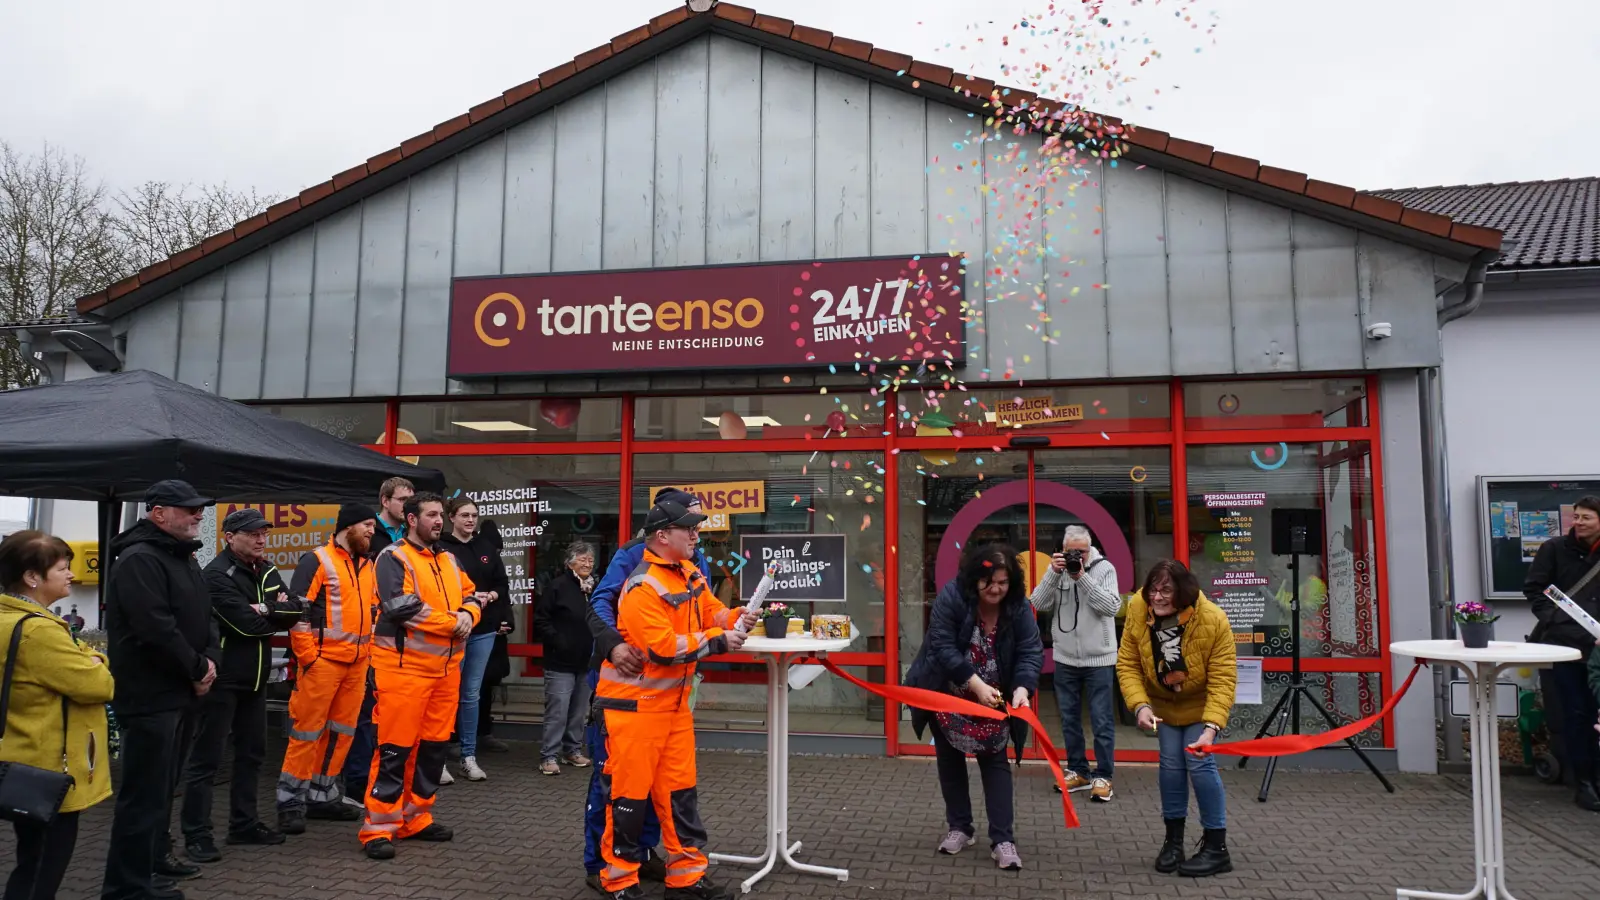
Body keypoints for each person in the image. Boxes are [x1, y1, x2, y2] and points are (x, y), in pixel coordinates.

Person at [593, 498, 756, 900]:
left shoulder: (689, 574)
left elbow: (713, 612)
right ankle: (619, 882)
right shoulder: (642, 585)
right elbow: (663, 648)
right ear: (663, 536)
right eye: (690, 528)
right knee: (628, 799)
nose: (697, 535)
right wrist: (719, 639)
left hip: (672, 708)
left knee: (680, 796)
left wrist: (736, 617)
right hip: (634, 709)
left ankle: (685, 879)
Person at [582, 488, 711, 892]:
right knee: (619, 786)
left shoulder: (693, 560)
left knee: (668, 787)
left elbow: (703, 612)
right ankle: (602, 866)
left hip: (673, 692)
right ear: (663, 528)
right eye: (690, 519)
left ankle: (649, 858)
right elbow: (600, 603)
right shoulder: (633, 557)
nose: (696, 531)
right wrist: (614, 645)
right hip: (629, 691)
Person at [101, 479, 219, 900]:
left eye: (199, 507)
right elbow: (155, 628)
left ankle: (153, 859)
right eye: (189, 509)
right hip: (150, 697)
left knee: (162, 789)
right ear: (158, 513)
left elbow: (206, 616)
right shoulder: (139, 559)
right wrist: (196, 668)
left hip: (180, 693)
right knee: (142, 796)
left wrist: (210, 661)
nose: (198, 515)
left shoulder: (182, 557)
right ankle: (127, 887)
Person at [359, 492, 484, 860]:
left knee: (431, 750)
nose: (439, 521)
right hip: (403, 671)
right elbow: (402, 607)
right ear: (412, 519)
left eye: (440, 514)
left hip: (445, 672)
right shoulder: (392, 557)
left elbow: (472, 594)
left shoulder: (448, 559)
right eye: (431, 515)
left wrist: (469, 615)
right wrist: (455, 623)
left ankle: (415, 818)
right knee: (394, 751)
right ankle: (378, 828)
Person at [905, 544, 1042, 872]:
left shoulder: (1019, 607)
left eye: (1003, 582)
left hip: (994, 700)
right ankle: (960, 828)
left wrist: (1022, 689)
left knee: (995, 763)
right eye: (988, 582)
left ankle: (1002, 840)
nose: (995, 589)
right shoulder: (952, 596)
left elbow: (1030, 650)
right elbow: (941, 646)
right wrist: (975, 685)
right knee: (949, 761)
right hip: (948, 692)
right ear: (973, 579)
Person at [181, 509, 305, 862]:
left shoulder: (267, 569)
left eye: (264, 533)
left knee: (252, 755)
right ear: (229, 537)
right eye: (252, 534)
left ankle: (244, 824)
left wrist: (263, 609)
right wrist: (274, 611)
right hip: (223, 680)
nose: (261, 539)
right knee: (207, 760)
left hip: (256, 679)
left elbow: (295, 611)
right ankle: (197, 833)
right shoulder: (216, 574)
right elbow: (245, 626)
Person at [0, 531, 115, 900]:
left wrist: (86, 657)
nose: (71, 575)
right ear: (32, 577)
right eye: (63, 568)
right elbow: (98, 685)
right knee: (41, 869)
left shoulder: (10, 617)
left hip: (21, 759)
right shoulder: (40, 631)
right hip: (50, 768)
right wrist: (96, 658)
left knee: (30, 857)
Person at [1116, 559, 1237, 878]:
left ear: (1183, 592)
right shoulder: (1138, 608)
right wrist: (1140, 706)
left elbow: (1223, 678)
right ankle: (1173, 843)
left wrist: (1211, 728)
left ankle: (1216, 848)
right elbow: (1128, 663)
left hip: (1200, 705)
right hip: (1164, 705)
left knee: (1200, 765)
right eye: (1153, 589)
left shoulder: (1212, 618)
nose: (1157, 597)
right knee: (1170, 767)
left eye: (1166, 591)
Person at [275, 504, 378, 833]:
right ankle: (290, 801)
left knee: (341, 733)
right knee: (306, 733)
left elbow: (373, 612)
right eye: (367, 525)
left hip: (356, 665)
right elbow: (298, 612)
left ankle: (322, 795)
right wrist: (309, 658)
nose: (372, 531)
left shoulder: (368, 565)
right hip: (322, 664)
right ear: (348, 527)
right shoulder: (317, 560)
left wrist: (369, 656)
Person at [1029, 524, 1121, 801]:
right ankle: (1078, 771)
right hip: (1066, 658)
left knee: (1101, 720)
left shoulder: (1105, 568)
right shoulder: (1056, 571)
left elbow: (1110, 607)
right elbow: (1038, 603)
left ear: (1090, 549)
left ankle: (1103, 776)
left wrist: (1081, 577)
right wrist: (1053, 574)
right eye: (1072, 552)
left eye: (1082, 552)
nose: (1077, 557)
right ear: (1062, 550)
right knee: (1069, 719)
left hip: (1099, 658)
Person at [1525, 494, 1600, 812]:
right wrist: (1554, 619)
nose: (1579, 523)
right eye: (1576, 517)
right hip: (1566, 646)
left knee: (1596, 715)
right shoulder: (1554, 549)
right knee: (1576, 714)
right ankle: (1583, 783)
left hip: (1599, 646)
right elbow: (1534, 589)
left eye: (1587, 517)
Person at [343, 478, 415, 798]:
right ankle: (357, 782)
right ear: (385, 501)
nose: (408, 507)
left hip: (398, 640)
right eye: (402, 500)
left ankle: (383, 778)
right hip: (365, 639)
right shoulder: (367, 535)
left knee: (386, 715)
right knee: (363, 715)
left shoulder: (412, 537)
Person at [438, 497, 514, 782]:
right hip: (453, 629)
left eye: (474, 515)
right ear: (452, 517)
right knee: (447, 694)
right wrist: (467, 599)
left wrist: (490, 596)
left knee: (471, 694)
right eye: (464, 515)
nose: (470, 520)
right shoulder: (441, 548)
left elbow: (502, 584)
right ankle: (438, 758)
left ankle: (468, 757)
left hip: (483, 629)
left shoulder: (486, 547)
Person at [534, 541, 597, 776]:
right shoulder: (557, 586)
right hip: (560, 660)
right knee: (557, 712)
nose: (587, 564)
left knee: (579, 712)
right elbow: (541, 620)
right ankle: (548, 756)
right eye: (582, 559)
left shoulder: (594, 588)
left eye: (590, 560)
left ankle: (572, 751)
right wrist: (558, 640)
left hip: (586, 661)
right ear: (569, 563)